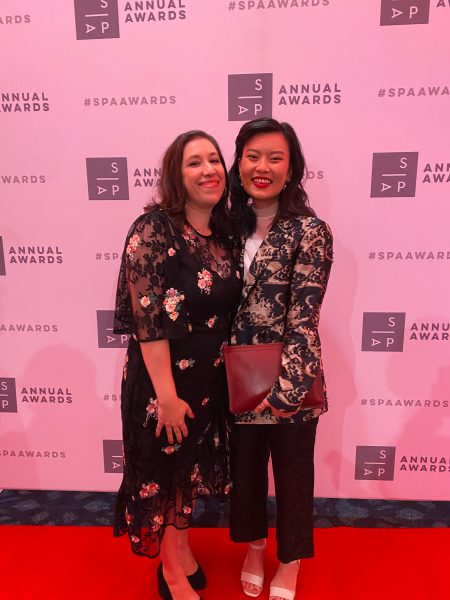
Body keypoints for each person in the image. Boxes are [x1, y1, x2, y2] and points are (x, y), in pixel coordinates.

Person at [113, 130, 242, 600]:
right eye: (194, 162)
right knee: (165, 472)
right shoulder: (153, 229)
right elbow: (148, 321)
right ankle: (169, 571)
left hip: (210, 380)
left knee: (188, 470)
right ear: (175, 174)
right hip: (163, 383)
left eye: (214, 160)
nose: (209, 170)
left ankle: (182, 549)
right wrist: (167, 396)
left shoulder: (223, 234)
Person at [228, 118, 333, 600]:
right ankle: (253, 548)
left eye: (275, 158)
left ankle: (289, 561)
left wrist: (287, 391)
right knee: (245, 475)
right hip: (235, 379)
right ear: (239, 163)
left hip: (293, 379)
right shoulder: (225, 227)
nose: (262, 167)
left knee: (292, 476)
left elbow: (305, 314)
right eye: (253, 156)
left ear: (291, 170)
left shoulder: (309, 230)